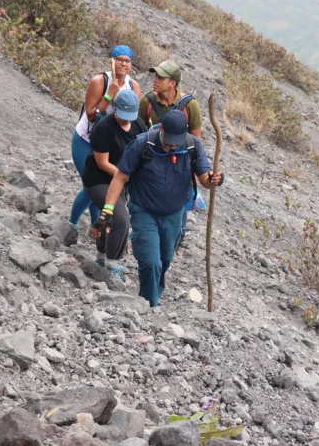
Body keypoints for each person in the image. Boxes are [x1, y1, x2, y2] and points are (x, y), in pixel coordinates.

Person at [95, 109, 223, 307]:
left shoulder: (191, 145)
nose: (172, 145)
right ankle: (149, 303)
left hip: (174, 214)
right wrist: (108, 209)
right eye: (169, 140)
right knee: (150, 261)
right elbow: (120, 177)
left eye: (176, 141)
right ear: (161, 128)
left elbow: (205, 179)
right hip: (144, 210)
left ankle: (153, 294)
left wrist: (214, 179)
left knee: (164, 260)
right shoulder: (142, 144)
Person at [69, 45, 142, 230]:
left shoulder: (133, 86)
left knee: (106, 187)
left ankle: (97, 227)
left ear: (131, 64)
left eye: (127, 61)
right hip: (86, 139)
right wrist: (109, 94)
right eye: (119, 59)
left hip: (110, 143)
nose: (123, 64)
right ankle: (72, 224)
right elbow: (92, 114)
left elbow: (133, 117)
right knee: (91, 186)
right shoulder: (99, 81)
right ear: (112, 61)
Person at [80, 89, 147, 284]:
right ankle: (112, 264)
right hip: (99, 180)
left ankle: (101, 258)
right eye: (123, 116)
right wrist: (126, 176)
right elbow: (102, 163)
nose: (126, 121)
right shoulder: (103, 127)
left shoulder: (139, 125)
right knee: (121, 219)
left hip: (123, 179)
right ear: (115, 109)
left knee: (107, 215)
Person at [138, 60, 203, 242]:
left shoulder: (190, 106)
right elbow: (137, 131)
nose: (155, 80)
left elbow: (196, 141)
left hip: (180, 163)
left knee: (179, 201)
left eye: (160, 77)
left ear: (172, 83)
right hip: (153, 162)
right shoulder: (147, 102)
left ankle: (176, 237)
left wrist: (195, 172)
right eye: (155, 76)